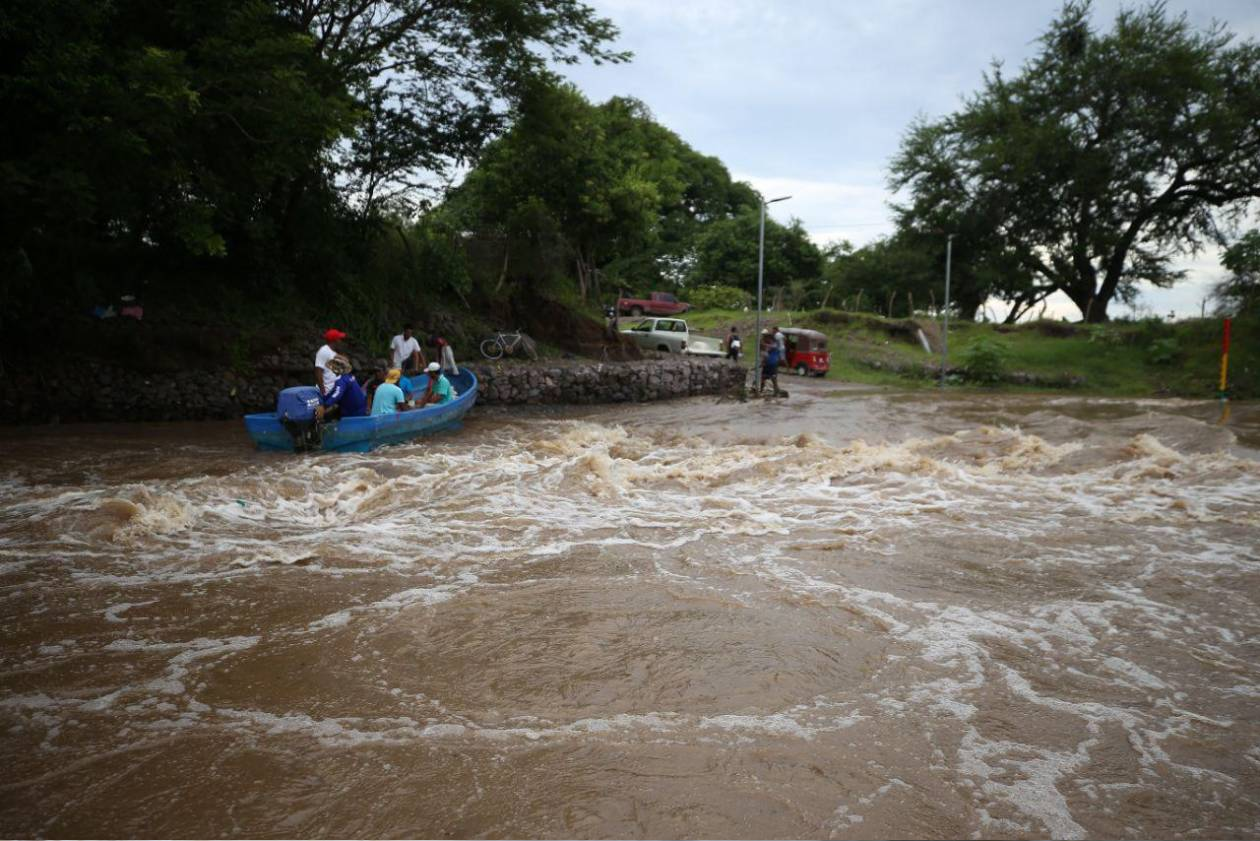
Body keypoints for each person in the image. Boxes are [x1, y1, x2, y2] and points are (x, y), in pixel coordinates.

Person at [317, 355, 368, 420]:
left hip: (354, 415)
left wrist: (324, 406)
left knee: (326, 417)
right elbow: (334, 392)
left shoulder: (342, 381)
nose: (332, 368)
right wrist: (321, 400)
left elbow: (337, 395)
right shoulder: (349, 377)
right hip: (360, 409)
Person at [315, 328, 348, 395]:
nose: (341, 341)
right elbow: (318, 371)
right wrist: (323, 392)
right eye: (340, 339)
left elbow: (346, 363)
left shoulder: (333, 352)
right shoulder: (324, 351)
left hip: (335, 390)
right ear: (335, 340)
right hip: (327, 391)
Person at [760, 331, 781, 396]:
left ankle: (762, 391)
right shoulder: (774, 345)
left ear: (770, 338)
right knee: (765, 378)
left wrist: (763, 362)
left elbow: (766, 354)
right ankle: (761, 391)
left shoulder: (773, 345)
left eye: (765, 338)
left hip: (770, 364)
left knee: (770, 378)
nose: (765, 340)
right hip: (772, 364)